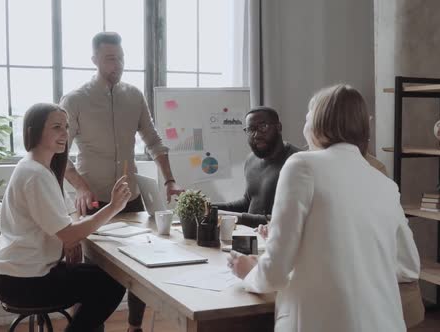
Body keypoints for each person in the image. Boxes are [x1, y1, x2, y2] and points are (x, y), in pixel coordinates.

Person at [228, 84, 421, 331]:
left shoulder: (302, 165)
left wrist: (249, 272)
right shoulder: (386, 184)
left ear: (318, 124)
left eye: (307, 117)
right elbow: (408, 267)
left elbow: (275, 271)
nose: (305, 126)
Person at [60, 32, 183, 332]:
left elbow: (153, 141)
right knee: (92, 271)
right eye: (110, 59)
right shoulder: (75, 100)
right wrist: (81, 186)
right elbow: (59, 153)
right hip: (92, 199)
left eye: (121, 58)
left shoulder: (133, 95)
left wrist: (169, 180)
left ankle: (134, 327)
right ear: (95, 60)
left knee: (138, 267)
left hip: (129, 198)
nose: (118, 65)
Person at [0, 103, 129, 332]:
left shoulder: (38, 168)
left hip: (19, 275)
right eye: (56, 127)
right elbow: (67, 233)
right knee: (112, 283)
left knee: (106, 279)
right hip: (24, 282)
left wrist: (68, 240)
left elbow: (64, 223)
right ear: (33, 130)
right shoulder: (35, 174)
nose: (65, 134)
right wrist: (113, 207)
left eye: (66, 127)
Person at [214, 106, 301, 227]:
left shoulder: (298, 162)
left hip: (279, 242)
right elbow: (248, 203)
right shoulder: (251, 160)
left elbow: (288, 220)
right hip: (252, 240)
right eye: (250, 129)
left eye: (263, 127)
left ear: (279, 127)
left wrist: (227, 216)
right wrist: (208, 207)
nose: (256, 135)